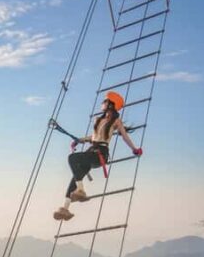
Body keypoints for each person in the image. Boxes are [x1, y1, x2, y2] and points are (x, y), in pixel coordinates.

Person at [53, 91, 143, 221]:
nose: (102, 103)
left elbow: (124, 136)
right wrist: (79, 140)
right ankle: (65, 208)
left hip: (100, 154)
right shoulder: (98, 120)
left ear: (111, 104)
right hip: (92, 151)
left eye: (105, 101)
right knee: (75, 178)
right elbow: (93, 137)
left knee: (72, 158)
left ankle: (81, 191)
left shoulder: (116, 121)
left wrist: (134, 149)